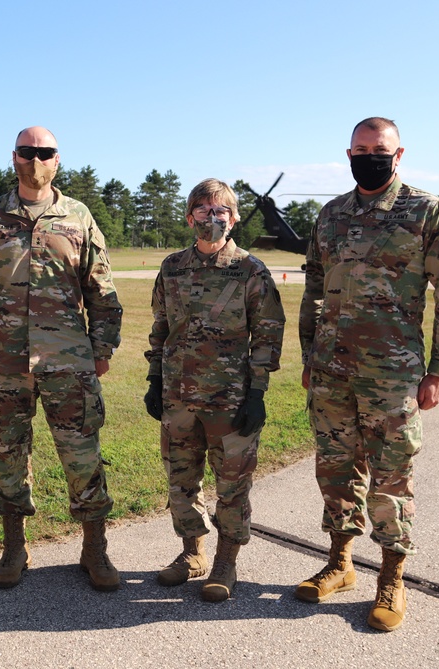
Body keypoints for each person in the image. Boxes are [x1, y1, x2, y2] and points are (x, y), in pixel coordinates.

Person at [296, 117, 439, 631]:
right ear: (348, 154)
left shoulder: (427, 213)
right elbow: (312, 292)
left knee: (391, 479)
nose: (370, 155)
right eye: (361, 148)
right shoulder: (330, 215)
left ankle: (391, 577)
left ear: (398, 156)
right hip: (331, 372)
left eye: (380, 149)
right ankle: (340, 562)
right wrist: (310, 357)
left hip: (393, 376)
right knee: (335, 470)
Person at [0, 126, 123, 591]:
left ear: (57, 160)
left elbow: (102, 292)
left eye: (44, 152)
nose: (35, 160)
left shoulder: (79, 217)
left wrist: (101, 349)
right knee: (9, 453)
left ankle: (95, 550)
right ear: (14, 158)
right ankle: (14, 547)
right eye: (27, 152)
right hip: (4, 362)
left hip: (68, 363)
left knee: (82, 454)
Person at [144, 179, 285, 602]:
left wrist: (257, 392)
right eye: (203, 210)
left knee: (232, 485)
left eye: (221, 210)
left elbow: (268, 334)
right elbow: (160, 326)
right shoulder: (172, 267)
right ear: (190, 218)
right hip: (178, 395)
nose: (213, 217)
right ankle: (192, 554)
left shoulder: (250, 269)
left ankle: (226, 561)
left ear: (235, 217)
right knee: (181, 481)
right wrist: (155, 380)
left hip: (231, 398)